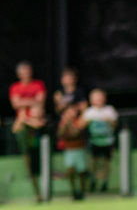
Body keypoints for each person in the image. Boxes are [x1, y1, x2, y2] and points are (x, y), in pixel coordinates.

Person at [10, 61, 48, 201]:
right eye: (23, 71)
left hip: (37, 130)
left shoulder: (38, 85)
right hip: (25, 130)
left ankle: (44, 191)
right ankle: (37, 193)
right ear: (19, 74)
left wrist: (24, 104)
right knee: (29, 163)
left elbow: (40, 102)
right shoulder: (15, 87)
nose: (26, 74)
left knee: (40, 161)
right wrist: (32, 103)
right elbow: (16, 104)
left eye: (28, 70)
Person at [82, 88, 118, 192]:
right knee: (93, 162)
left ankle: (104, 182)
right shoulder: (89, 112)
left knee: (106, 163)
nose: (99, 100)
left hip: (107, 141)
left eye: (100, 98)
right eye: (96, 98)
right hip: (94, 142)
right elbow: (81, 125)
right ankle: (93, 181)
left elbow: (115, 124)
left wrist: (109, 120)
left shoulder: (109, 110)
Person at [56, 102, 89, 201]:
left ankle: (83, 191)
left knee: (81, 171)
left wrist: (69, 123)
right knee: (70, 170)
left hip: (80, 149)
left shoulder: (80, 120)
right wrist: (65, 124)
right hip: (69, 150)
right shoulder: (63, 123)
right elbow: (60, 134)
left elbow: (76, 133)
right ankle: (73, 190)